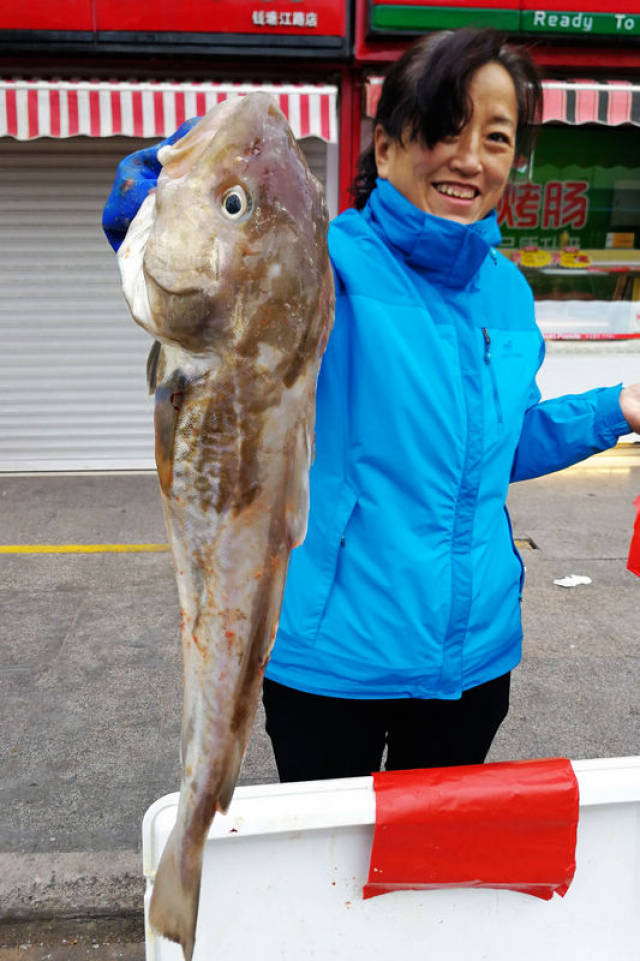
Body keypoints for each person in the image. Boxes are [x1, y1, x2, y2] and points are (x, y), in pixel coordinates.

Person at [103, 28, 640, 784]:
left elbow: (502, 444)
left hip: (474, 660)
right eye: (446, 129)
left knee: (424, 880)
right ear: (385, 148)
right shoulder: (326, 263)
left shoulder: (507, 291)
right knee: (334, 885)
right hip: (332, 668)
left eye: (495, 137)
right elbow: (223, 268)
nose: (471, 158)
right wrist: (158, 205)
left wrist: (619, 404)